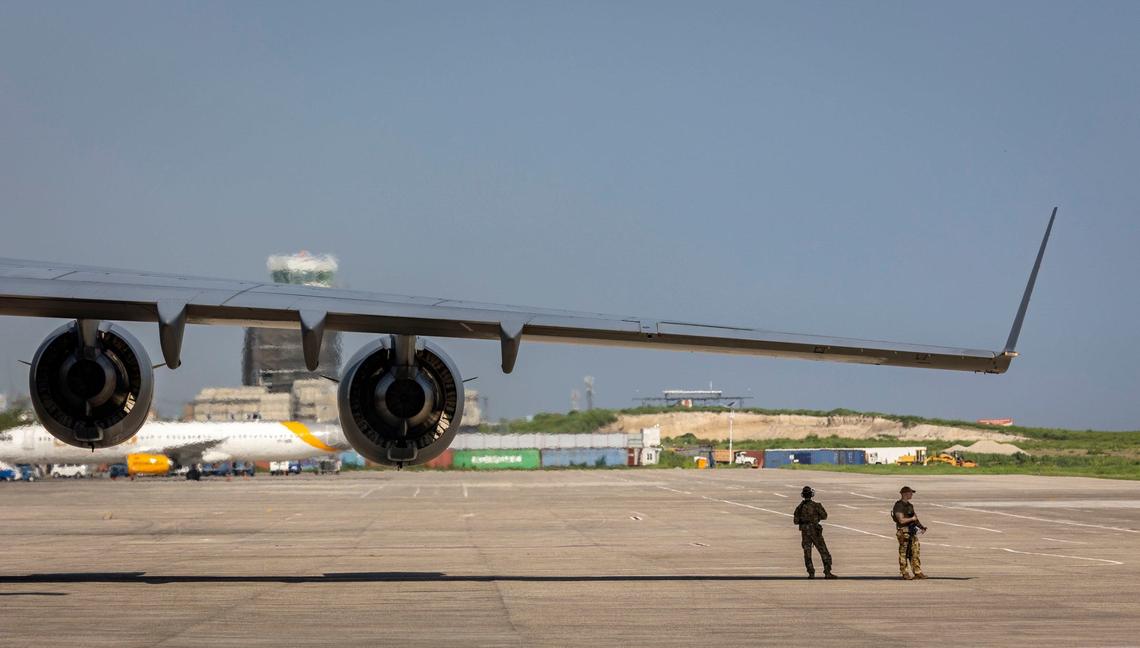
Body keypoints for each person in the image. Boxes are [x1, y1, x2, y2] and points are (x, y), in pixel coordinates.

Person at [793, 486, 836, 579]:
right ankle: (827, 572)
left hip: (805, 533)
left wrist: (803, 520)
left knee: (807, 553)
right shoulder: (816, 506)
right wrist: (815, 518)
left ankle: (811, 573)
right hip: (815, 532)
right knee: (824, 552)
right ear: (812, 495)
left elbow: (795, 521)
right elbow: (824, 516)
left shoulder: (799, 508)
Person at [892, 486, 927, 580]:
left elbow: (915, 518)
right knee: (903, 553)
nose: (911, 494)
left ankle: (917, 572)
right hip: (903, 532)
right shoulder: (899, 505)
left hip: (911, 531)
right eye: (910, 493)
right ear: (904, 494)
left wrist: (921, 527)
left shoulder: (910, 505)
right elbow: (901, 520)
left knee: (915, 552)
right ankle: (905, 572)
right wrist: (912, 519)